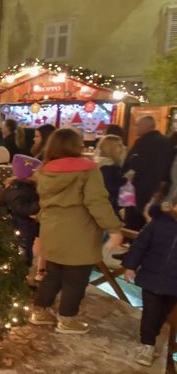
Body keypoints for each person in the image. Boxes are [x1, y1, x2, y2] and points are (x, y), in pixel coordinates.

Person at [28, 129, 124, 334]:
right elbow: (96, 201)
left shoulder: (45, 170)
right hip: (79, 231)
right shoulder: (88, 170)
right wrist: (113, 228)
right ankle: (67, 319)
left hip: (52, 229)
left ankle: (40, 311)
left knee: (53, 273)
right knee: (76, 278)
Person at [121, 200, 177, 367]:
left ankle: (151, 339)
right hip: (152, 276)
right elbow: (141, 244)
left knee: (162, 313)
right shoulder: (160, 222)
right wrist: (130, 265)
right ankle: (147, 344)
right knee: (151, 311)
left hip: (174, 283)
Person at [123, 116, 174, 230]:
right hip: (159, 192)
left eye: (137, 125)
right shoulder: (167, 143)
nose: (135, 128)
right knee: (152, 226)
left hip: (137, 191)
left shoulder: (142, 143)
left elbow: (130, 165)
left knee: (133, 226)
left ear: (145, 126)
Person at [1, 154, 43, 269]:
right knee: (23, 255)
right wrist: (40, 204)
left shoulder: (14, 187)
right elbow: (23, 209)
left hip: (19, 227)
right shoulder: (23, 190)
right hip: (21, 228)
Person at [95, 135, 127, 214]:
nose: (123, 148)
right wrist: (126, 179)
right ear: (111, 148)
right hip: (110, 207)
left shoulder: (103, 164)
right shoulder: (107, 167)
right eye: (119, 145)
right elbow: (109, 187)